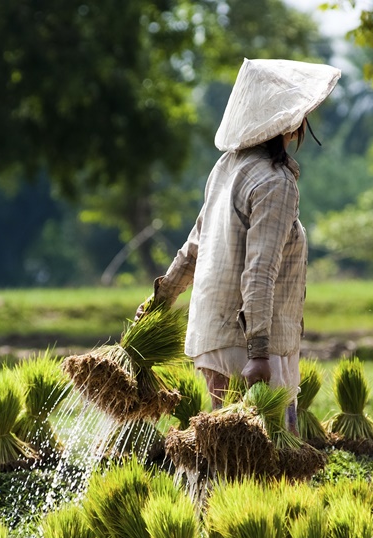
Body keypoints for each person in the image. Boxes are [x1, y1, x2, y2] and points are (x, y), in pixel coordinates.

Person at [137, 58, 341, 433]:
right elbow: (260, 270)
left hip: (214, 339)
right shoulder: (274, 183)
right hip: (247, 346)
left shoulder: (227, 168)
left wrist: (160, 301)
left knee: (227, 459)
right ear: (287, 121)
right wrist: (259, 352)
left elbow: (193, 247)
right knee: (269, 464)